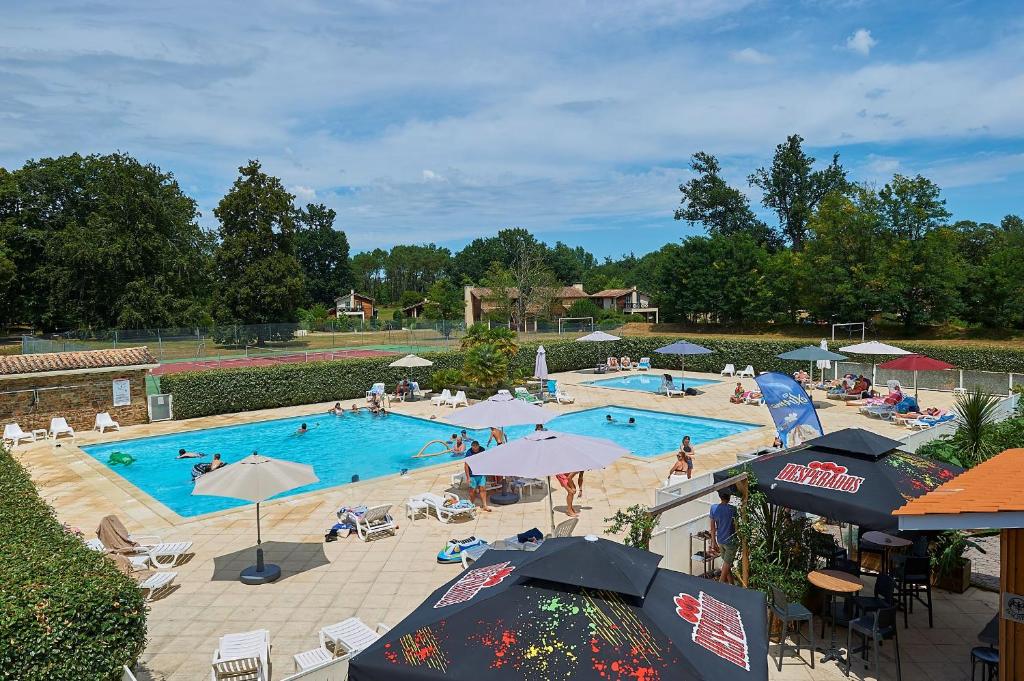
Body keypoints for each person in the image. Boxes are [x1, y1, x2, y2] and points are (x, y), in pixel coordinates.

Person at [709, 490, 738, 584]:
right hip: (731, 541)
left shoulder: (713, 508)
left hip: (720, 540)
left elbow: (712, 528)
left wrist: (713, 543)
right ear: (729, 497)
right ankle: (720, 585)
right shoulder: (733, 509)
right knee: (726, 564)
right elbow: (737, 526)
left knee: (727, 565)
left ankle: (732, 585)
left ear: (720, 496)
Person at [464, 441, 491, 512]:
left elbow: (485, 460)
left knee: (483, 489)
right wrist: (468, 477)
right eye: (473, 447)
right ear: (472, 446)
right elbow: (466, 466)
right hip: (472, 475)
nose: (475, 449)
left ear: (478, 446)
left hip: (481, 474)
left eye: (476, 447)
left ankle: (485, 505)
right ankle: (471, 505)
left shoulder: (482, 450)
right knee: (472, 492)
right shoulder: (469, 452)